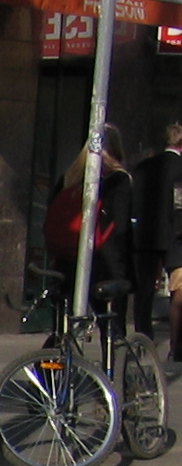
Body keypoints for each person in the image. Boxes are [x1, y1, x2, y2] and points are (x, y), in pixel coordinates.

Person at [45, 126, 134, 322]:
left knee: (66, 320)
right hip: (106, 260)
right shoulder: (119, 179)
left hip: (67, 256)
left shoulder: (70, 176)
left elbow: (52, 212)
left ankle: (64, 341)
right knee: (110, 324)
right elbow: (121, 224)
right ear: (116, 147)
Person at [134, 121, 182, 356]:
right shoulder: (180, 168)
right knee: (178, 292)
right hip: (176, 236)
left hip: (147, 235)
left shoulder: (144, 167)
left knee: (144, 292)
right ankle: (177, 345)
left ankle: (143, 339)